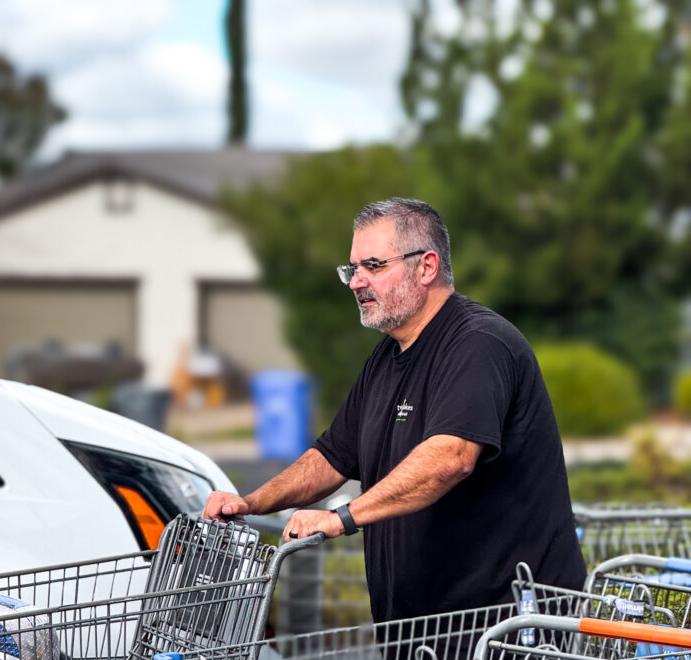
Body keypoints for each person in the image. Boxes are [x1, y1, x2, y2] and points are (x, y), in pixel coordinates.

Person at [203, 197, 586, 637]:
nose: (355, 282)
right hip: (425, 633)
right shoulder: (387, 357)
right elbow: (331, 457)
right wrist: (251, 503)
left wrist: (340, 517)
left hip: (505, 632)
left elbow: (450, 458)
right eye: (352, 269)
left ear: (426, 267)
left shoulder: (479, 344)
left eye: (372, 265)